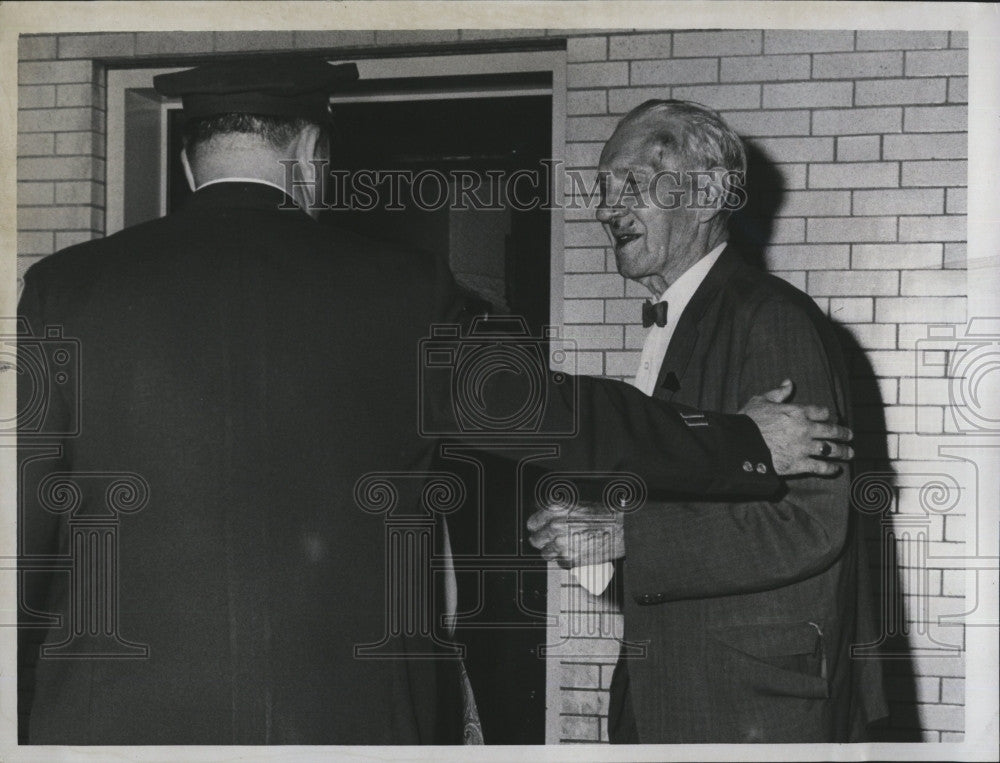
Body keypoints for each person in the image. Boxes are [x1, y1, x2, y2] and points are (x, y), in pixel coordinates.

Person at [17, 61, 853, 745]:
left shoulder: (66, 291)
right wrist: (746, 439)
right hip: (345, 720)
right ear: (308, 153)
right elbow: (563, 418)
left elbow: (21, 536)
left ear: (190, 159)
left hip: (111, 721)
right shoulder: (399, 290)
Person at [528, 100, 888, 743]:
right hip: (682, 685)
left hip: (753, 704)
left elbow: (810, 521)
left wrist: (627, 533)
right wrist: (594, 530)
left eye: (631, 183)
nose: (606, 209)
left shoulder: (771, 319)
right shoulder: (690, 317)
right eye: (603, 188)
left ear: (713, 190)